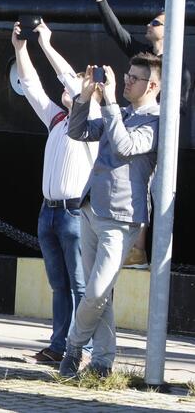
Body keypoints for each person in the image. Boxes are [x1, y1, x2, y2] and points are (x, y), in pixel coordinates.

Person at [61, 53, 162, 378]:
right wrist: (85, 96)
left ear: (153, 85)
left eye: (134, 78)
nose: (127, 81)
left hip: (121, 217)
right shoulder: (119, 112)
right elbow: (76, 131)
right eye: (127, 75)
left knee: (97, 292)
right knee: (99, 293)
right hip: (91, 209)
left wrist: (110, 102)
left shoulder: (157, 121)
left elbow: (124, 146)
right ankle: (102, 363)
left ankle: (73, 348)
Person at [87, 0, 191, 268]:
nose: (149, 25)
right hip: (137, 129)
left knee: (156, 190)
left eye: (155, 23)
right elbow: (118, 34)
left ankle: (149, 254)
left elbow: (179, 106)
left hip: (155, 134)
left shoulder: (176, 67)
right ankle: (136, 250)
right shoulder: (144, 58)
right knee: (139, 186)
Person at [12, 21, 99, 362]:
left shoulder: (90, 117)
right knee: (60, 285)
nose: (67, 87)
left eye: (76, 85)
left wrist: (46, 44)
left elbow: (72, 83)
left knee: (79, 285)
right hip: (48, 210)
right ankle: (59, 345)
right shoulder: (58, 119)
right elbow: (32, 86)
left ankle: (82, 349)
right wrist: (20, 50)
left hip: (74, 211)